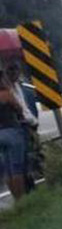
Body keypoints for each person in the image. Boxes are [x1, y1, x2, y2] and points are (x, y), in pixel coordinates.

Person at [0, 69, 28, 199]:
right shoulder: (5, 94)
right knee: (17, 167)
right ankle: (21, 199)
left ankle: (15, 198)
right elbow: (19, 107)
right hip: (11, 130)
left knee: (7, 169)